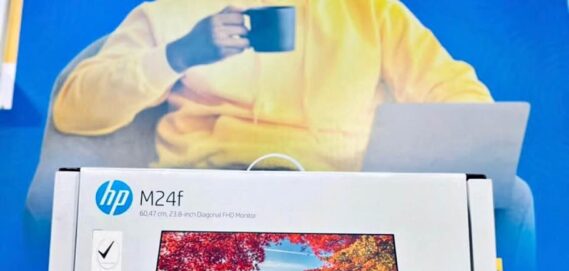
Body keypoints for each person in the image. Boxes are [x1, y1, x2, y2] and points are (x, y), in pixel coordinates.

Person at [52, 0, 493, 172]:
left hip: (337, 203)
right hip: (203, 196)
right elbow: (74, 108)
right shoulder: (173, 9)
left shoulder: (372, 11)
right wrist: (179, 54)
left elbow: (458, 93)